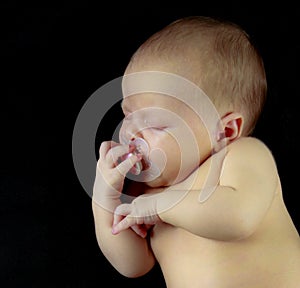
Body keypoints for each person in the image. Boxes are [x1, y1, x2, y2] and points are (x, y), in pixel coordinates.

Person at [91, 16, 300, 287]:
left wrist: (160, 207)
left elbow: (239, 218)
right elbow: (133, 266)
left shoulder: (241, 156)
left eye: (154, 123)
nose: (131, 132)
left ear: (224, 132)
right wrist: (104, 200)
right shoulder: (146, 194)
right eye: (128, 115)